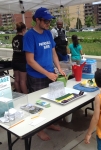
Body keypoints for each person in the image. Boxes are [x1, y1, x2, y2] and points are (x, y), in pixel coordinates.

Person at [23, 7, 65, 141]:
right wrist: (47, 73)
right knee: (38, 103)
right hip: (37, 76)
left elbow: (53, 53)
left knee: (51, 101)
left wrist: (58, 68)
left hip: (50, 73)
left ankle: (49, 122)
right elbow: (30, 60)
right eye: (46, 21)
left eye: (49, 21)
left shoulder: (48, 33)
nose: (48, 24)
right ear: (37, 20)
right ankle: (39, 129)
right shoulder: (30, 36)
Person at [12, 22, 28, 94]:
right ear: (24, 29)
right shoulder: (24, 39)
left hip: (15, 61)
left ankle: (18, 94)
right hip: (22, 61)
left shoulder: (14, 39)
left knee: (16, 80)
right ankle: (26, 96)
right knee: (23, 81)